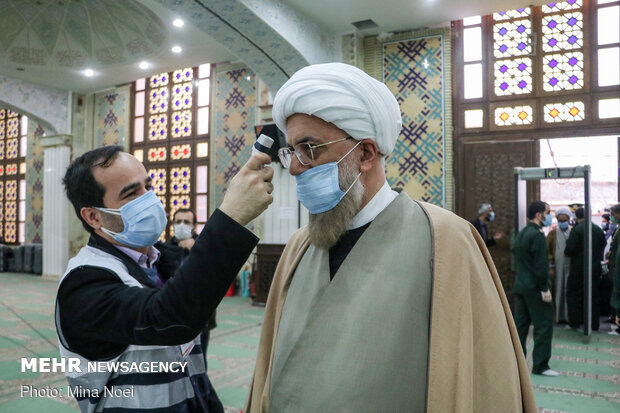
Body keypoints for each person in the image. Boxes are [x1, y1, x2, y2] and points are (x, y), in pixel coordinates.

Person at [245, 63, 537, 413]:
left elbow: (481, 379)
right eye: (291, 150)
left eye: (310, 147)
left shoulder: (446, 240)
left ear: (366, 154)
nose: (294, 166)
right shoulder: (299, 246)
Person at [56, 145, 273, 412]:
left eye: (148, 187)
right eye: (131, 194)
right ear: (94, 216)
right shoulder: (84, 282)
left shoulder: (163, 262)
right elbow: (169, 318)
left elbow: (194, 374)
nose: (149, 199)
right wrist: (232, 217)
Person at [166, 208, 217, 365]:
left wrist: (196, 248)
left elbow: (215, 274)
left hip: (200, 317)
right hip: (172, 316)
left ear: (194, 225)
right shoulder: (166, 248)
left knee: (198, 360)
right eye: (178, 221)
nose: (181, 225)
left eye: (186, 222)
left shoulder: (204, 246)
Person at [513, 200, 558, 377]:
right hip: (535, 288)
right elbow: (540, 266)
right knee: (544, 325)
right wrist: (544, 288)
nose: (548, 216)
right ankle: (540, 366)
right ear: (539, 215)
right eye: (547, 212)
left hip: (521, 286)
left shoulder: (522, 233)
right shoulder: (538, 236)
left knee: (520, 327)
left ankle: (517, 365)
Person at [564, 208, 607, 331]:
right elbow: (602, 246)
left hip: (578, 268)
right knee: (593, 296)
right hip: (594, 267)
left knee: (574, 295)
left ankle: (575, 323)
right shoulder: (598, 230)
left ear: (576, 217)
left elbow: (569, 249)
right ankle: (593, 324)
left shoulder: (576, 230)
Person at [546, 207, 572, 323]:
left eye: (564, 220)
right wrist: (551, 266)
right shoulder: (552, 234)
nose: (562, 223)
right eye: (560, 221)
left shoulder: (573, 232)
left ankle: (568, 316)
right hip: (557, 266)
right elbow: (548, 251)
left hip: (570, 266)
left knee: (569, 290)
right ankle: (558, 316)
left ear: (568, 219)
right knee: (558, 289)